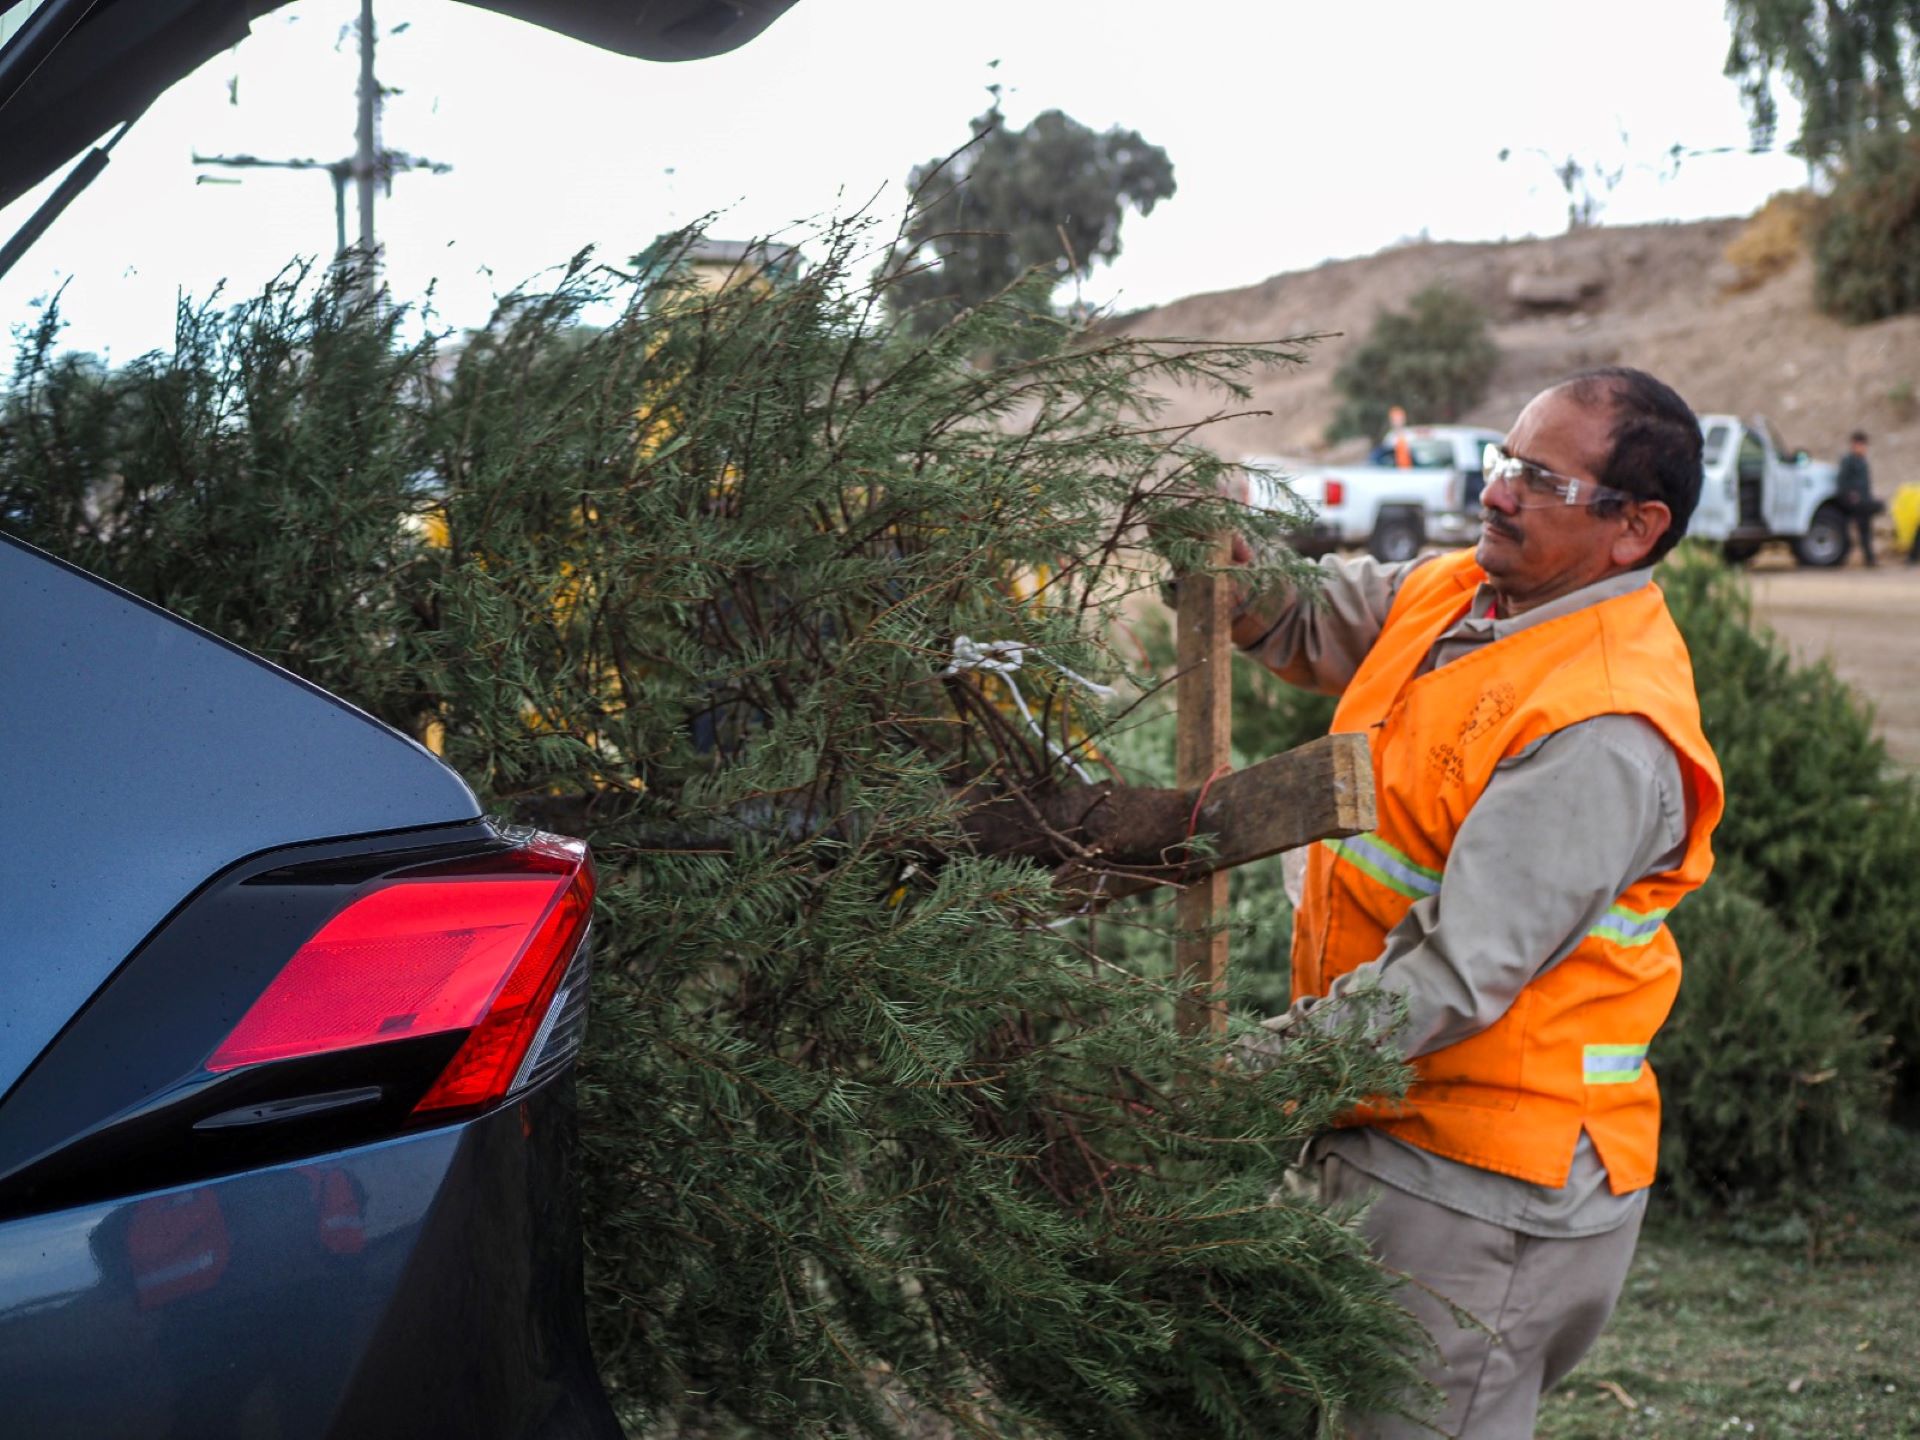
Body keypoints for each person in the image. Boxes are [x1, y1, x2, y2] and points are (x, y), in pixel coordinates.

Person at [1230, 367, 1724, 1439]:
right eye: (1502, 460)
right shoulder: (1469, 592)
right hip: (1388, 1120)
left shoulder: (1602, 726)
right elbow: (1319, 616)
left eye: (1538, 478)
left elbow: (1458, 972)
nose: (1496, 492)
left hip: (1487, 1183)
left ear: (1634, 529)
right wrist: (1235, 566)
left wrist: (1241, 1077)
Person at [1837, 430, 1877, 566]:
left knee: (1865, 532)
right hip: (1852, 504)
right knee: (1847, 534)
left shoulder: (1862, 462)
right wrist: (1851, 497)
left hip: (1863, 503)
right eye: (1861, 445)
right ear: (1855, 444)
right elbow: (1843, 483)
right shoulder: (1848, 461)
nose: (1864, 448)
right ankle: (1841, 558)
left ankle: (1869, 559)